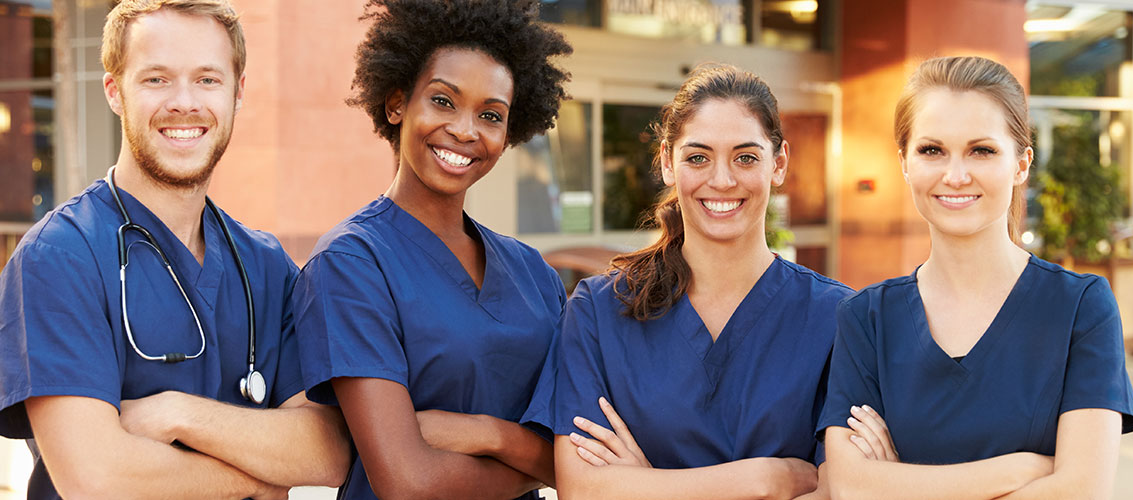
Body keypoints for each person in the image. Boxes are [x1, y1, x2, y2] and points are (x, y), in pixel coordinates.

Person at [0, 1, 351, 498]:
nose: (184, 102)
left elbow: (329, 450)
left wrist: (177, 415)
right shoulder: (59, 257)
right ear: (114, 91)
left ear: (238, 92)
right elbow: (95, 478)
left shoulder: (266, 267)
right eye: (157, 79)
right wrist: (255, 477)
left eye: (207, 79)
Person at [817, 56, 1133, 500]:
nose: (955, 175)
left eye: (982, 150)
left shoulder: (1079, 307)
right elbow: (851, 488)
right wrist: (1018, 472)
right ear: (905, 163)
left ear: (1021, 164)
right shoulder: (866, 319)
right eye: (932, 150)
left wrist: (902, 486)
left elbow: (1081, 491)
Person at [522, 64, 852, 499]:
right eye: (698, 157)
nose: (722, 180)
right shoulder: (599, 310)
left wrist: (645, 487)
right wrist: (762, 481)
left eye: (745, 157)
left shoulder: (837, 318)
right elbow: (583, 490)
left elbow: (838, 491)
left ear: (779, 163)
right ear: (666, 163)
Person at [290, 0, 571, 498]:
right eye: (443, 101)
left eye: (490, 114)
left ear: (510, 132)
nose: (465, 130)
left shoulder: (534, 274)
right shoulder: (352, 264)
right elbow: (405, 481)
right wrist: (535, 463)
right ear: (398, 103)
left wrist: (489, 433)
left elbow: (573, 457)